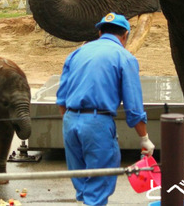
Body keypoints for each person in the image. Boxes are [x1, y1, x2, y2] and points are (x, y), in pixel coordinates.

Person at [56, 12, 155, 206]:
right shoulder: (124, 57)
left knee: (81, 182)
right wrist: (144, 138)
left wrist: (72, 122)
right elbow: (133, 107)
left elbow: (61, 98)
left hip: (70, 121)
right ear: (125, 35)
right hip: (97, 123)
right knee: (99, 183)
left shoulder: (77, 53)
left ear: (100, 32)